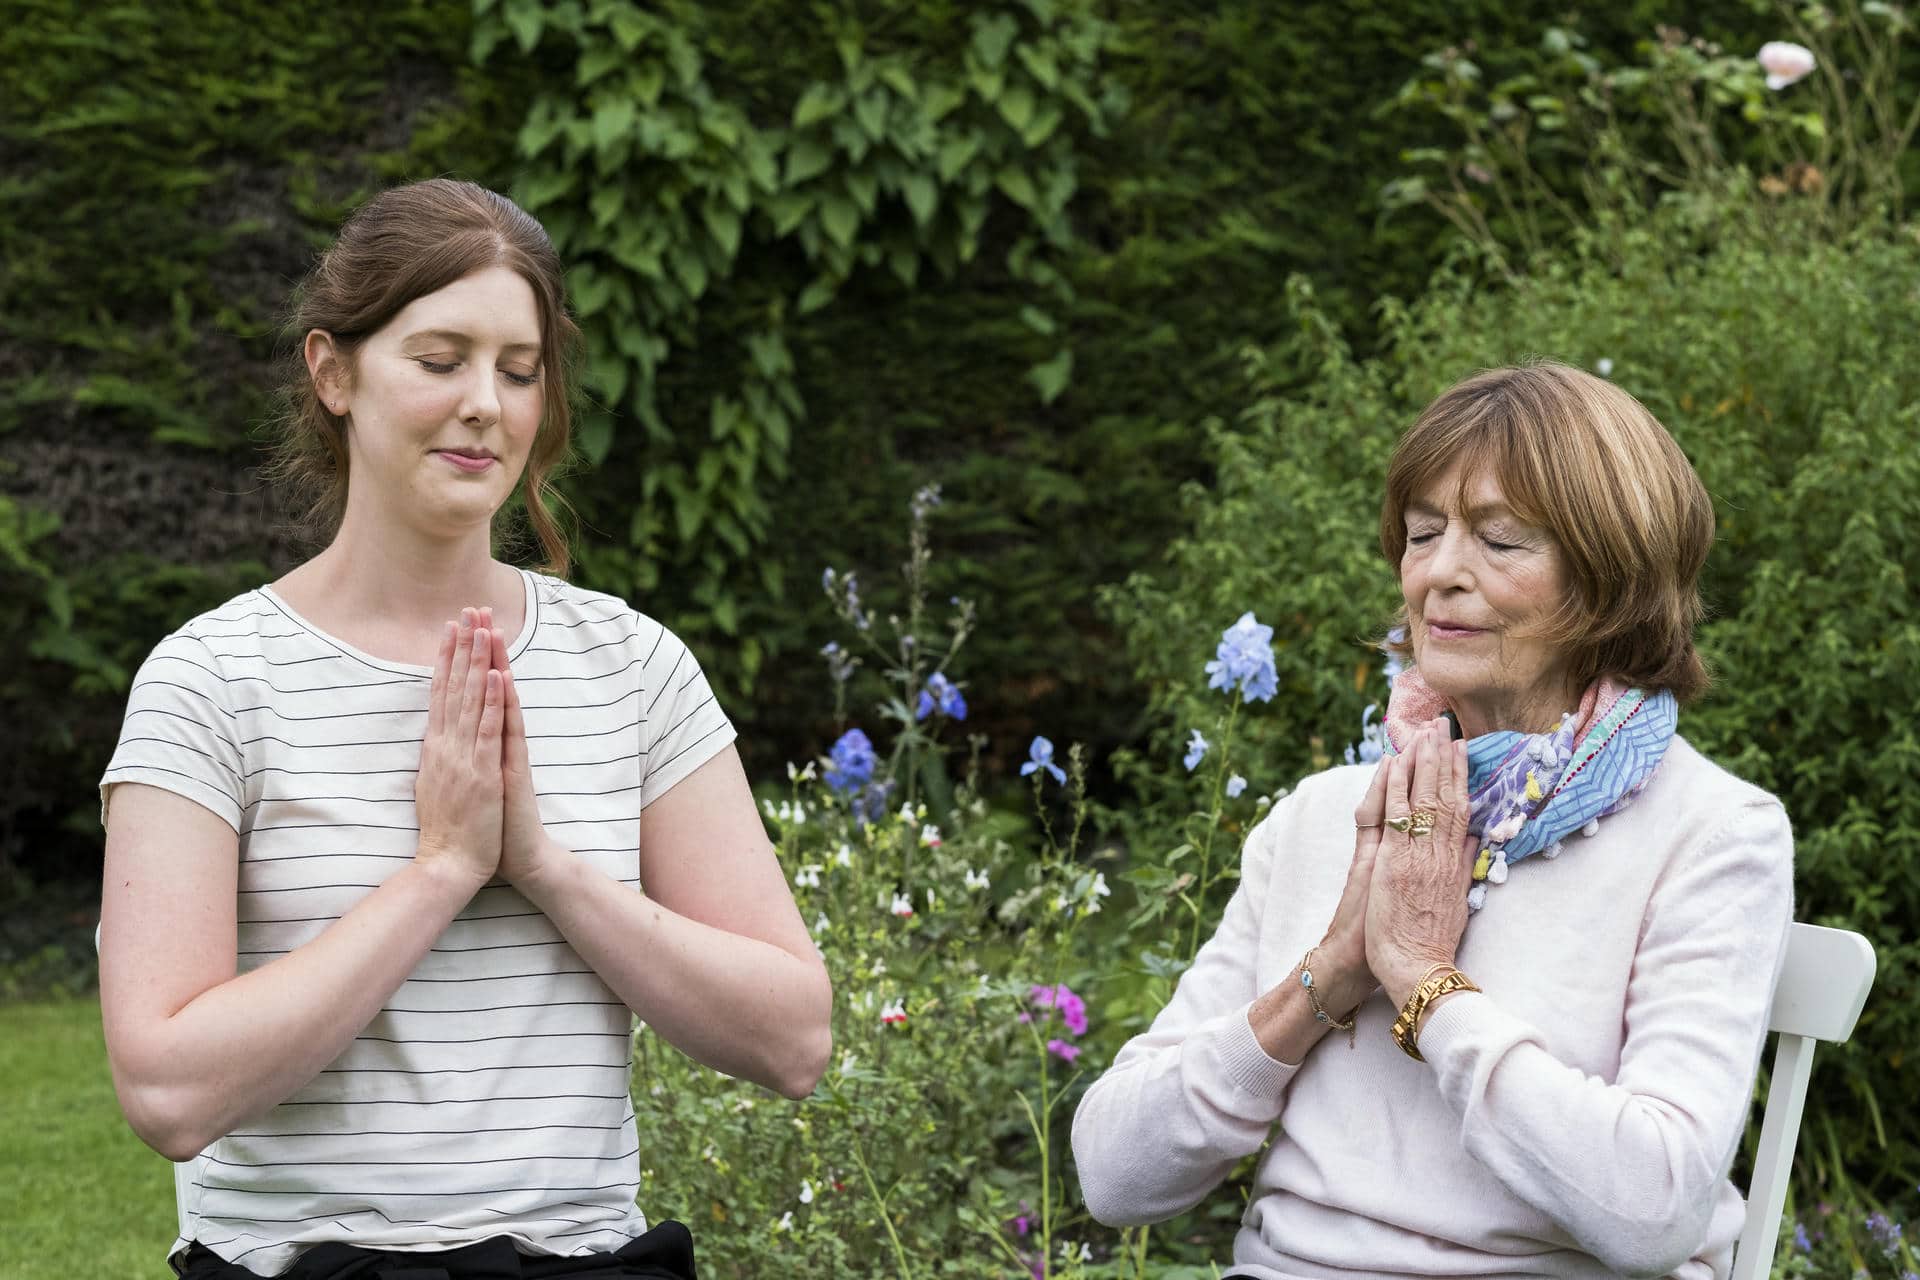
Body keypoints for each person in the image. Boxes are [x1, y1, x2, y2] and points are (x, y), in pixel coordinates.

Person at [96, 178, 832, 1280]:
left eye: (518, 369)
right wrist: (439, 868)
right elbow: (166, 1088)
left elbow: (793, 1035)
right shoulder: (210, 682)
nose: (485, 401)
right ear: (333, 371)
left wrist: (541, 863)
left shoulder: (630, 666)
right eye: (440, 360)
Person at [1072, 363, 1795, 1279]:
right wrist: (1328, 975)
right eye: (1422, 533)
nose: (1440, 573)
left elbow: (1653, 1208)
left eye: (1500, 541)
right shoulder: (1326, 819)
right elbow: (1113, 1176)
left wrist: (1423, 981)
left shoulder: (1713, 832)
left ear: (1612, 578)